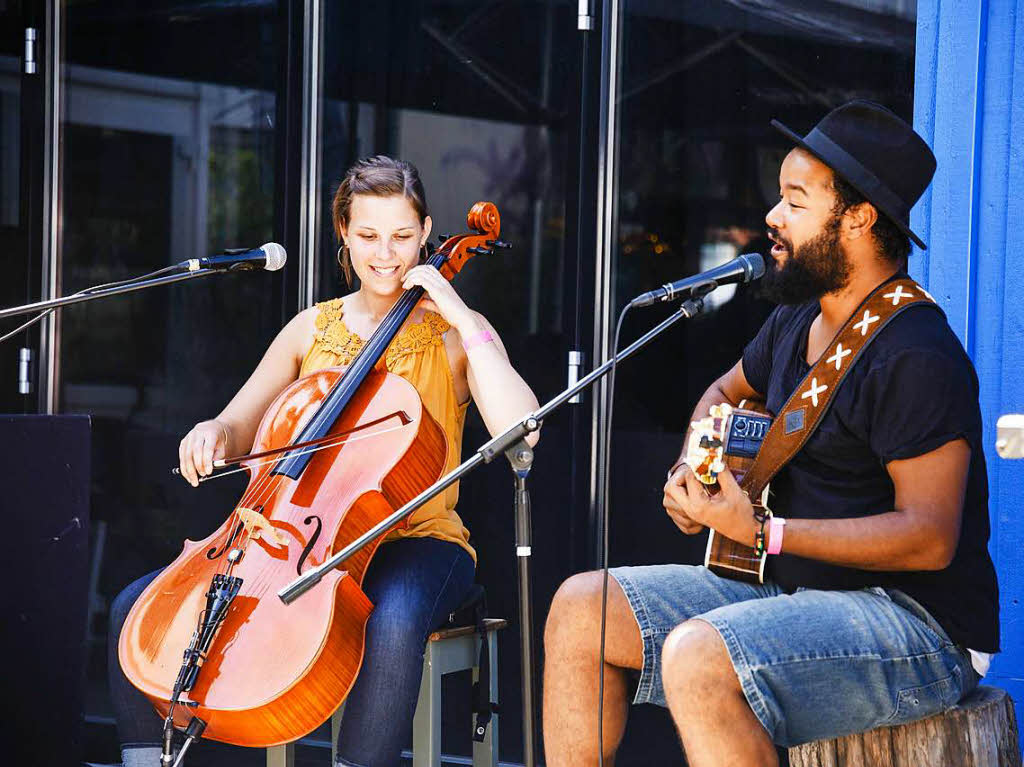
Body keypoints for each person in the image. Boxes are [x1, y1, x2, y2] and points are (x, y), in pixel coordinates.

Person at [542, 101, 999, 767]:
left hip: (918, 627)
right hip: (789, 588)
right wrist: (697, 472)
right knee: (584, 608)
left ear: (859, 218)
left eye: (795, 200)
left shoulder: (916, 354)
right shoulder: (795, 321)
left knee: (698, 655)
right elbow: (725, 391)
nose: (771, 217)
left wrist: (763, 532)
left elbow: (931, 537)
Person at [108, 155, 540, 767]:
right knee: (135, 607)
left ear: (426, 231)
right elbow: (236, 425)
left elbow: (523, 430)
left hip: (419, 540)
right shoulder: (311, 330)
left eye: (401, 235)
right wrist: (210, 433)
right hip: (302, 541)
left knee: (391, 621)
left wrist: (455, 307)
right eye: (367, 235)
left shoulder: (456, 333)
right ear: (343, 233)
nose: (385, 253)